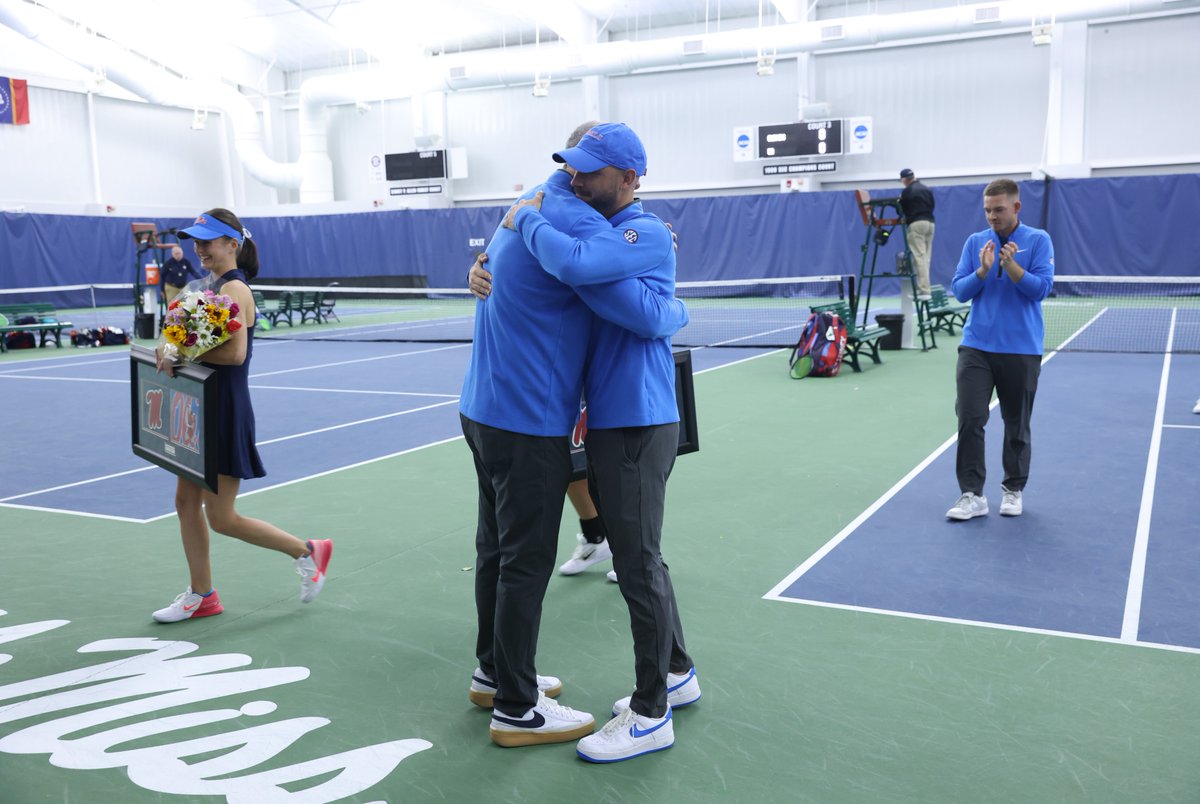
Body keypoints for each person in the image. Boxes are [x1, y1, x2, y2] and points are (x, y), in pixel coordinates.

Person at [459, 123, 689, 750]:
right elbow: (593, 276)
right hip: (528, 417)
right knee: (525, 562)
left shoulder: (538, 207)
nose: (577, 176)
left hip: (494, 410)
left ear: (628, 177)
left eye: (590, 168)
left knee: (512, 554)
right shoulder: (566, 213)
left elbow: (618, 292)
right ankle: (515, 703)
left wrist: (674, 310)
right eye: (574, 165)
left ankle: (507, 675)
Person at [151, 208, 332, 622]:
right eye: (196, 242)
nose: (200, 249)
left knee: (222, 517)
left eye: (208, 241)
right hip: (197, 405)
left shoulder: (235, 290)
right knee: (184, 502)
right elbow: (192, 338)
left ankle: (308, 552)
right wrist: (172, 344)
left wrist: (179, 352)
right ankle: (202, 595)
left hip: (223, 409)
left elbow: (235, 353)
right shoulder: (209, 288)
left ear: (233, 244)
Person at [945, 179, 1054, 521]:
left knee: (1016, 424)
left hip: (1021, 350)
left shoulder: (1038, 240)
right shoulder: (976, 242)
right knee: (970, 417)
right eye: (988, 210)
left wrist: (1012, 268)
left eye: (999, 209)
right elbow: (960, 291)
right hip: (976, 347)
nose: (992, 216)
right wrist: (983, 270)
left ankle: (1013, 489)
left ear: (1016, 208)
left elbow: (1041, 290)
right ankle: (972, 495)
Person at [899, 168, 935, 300]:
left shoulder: (907, 191)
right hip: (930, 224)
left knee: (919, 258)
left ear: (904, 180)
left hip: (916, 224)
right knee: (926, 258)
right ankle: (926, 288)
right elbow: (932, 205)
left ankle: (924, 291)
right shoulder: (926, 189)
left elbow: (901, 209)